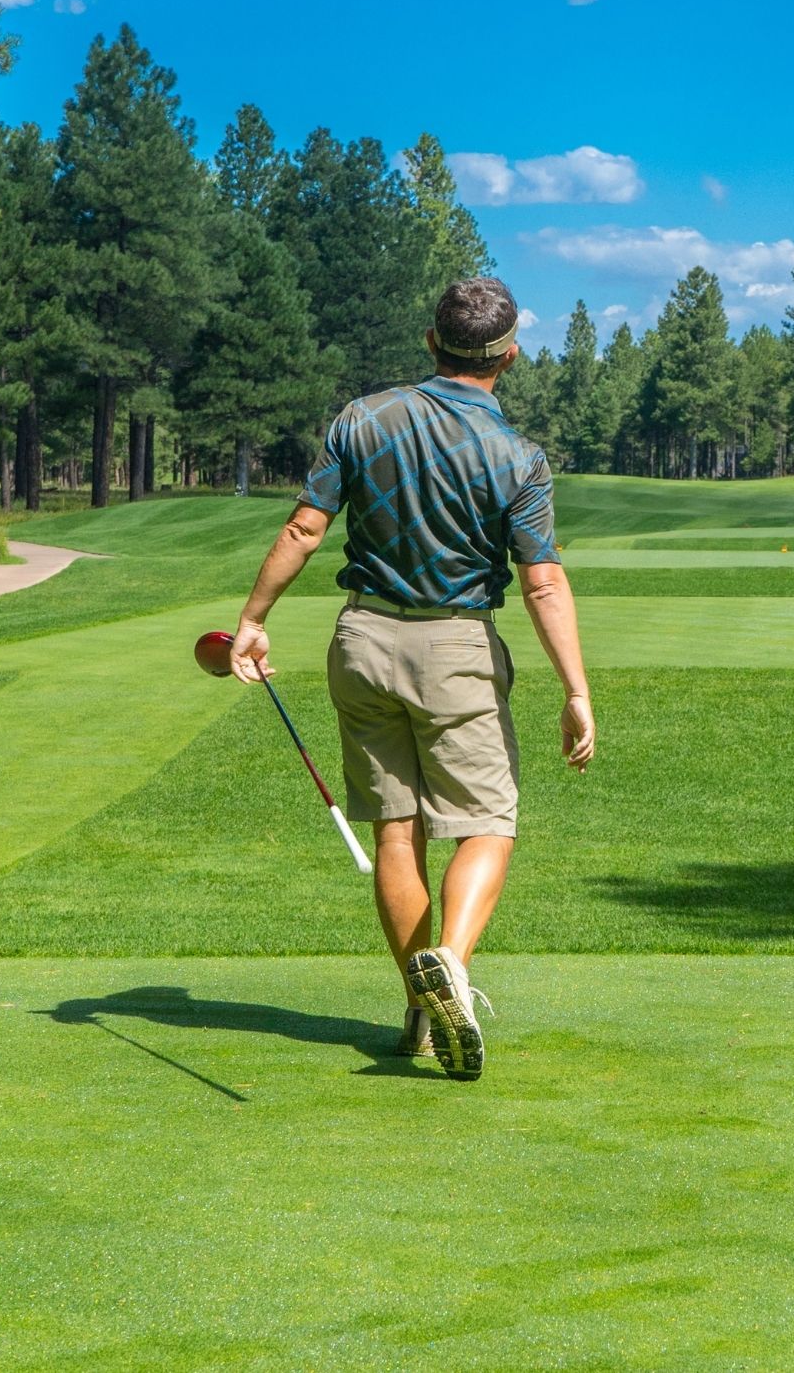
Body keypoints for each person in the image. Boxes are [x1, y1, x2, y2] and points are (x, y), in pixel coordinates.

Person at [228, 277, 594, 1081]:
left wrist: (254, 618)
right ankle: (452, 969)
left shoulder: (361, 418)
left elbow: (304, 527)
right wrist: (575, 690)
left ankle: (422, 1009)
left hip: (361, 640)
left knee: (398, 831)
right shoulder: (520, 458)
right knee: (487, 823)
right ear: (512, 353)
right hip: (455, 646)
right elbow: (540, 582)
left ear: (432, 341)